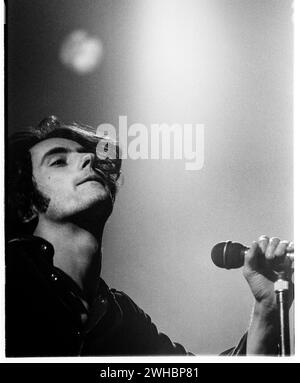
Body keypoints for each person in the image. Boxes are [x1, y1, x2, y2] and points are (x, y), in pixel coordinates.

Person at [5, 116, 294, 356]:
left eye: (88, 153)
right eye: (58, 162)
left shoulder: (118, 316)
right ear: (25, 204)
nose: (87, 160)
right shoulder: (13, 282)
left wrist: (267, 306)